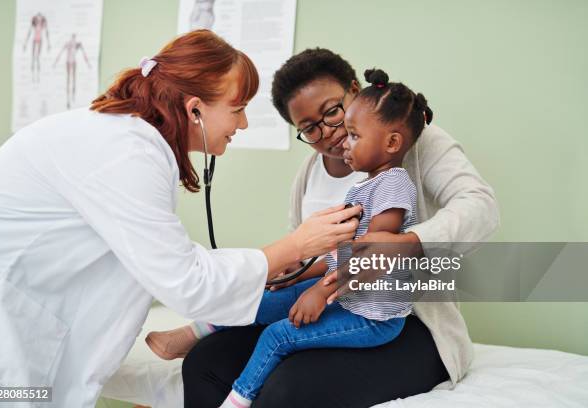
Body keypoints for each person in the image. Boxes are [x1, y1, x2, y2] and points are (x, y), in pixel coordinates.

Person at [0, 32, 361, 407]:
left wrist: (287, 261)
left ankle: (194, 332)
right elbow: (185, 277)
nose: (242, 125)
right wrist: (292, 250)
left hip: (369, 305)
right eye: (238, 109)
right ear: (195, 109)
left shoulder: (130, 142)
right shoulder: (125, 153)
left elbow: (161, 260)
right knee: (212, 366)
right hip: (0, 325)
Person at [182, 48, 500, 407]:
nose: (329, 134)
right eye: (309, 128)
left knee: (289, 387)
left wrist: (410, 243)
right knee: (204, 362)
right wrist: (293, 272)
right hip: (334, 302)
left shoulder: (415, 141)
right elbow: (314, 252)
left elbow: (481, 206)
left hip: (402, 319)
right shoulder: (308, 174)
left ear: (354, 91)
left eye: (332, 112)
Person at [148, 68, 432, 408]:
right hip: (347, 296)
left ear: (391, 142)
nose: (342, 140)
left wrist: (318, 291)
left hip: (373, 318)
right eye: (309, 128)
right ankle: (198, 329)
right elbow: (339, 253)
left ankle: (237, 401)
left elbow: (369, 255)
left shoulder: (394, 183)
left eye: (353, 134)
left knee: (277, 335)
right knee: (264, 298)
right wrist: (295, 272)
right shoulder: (365, 184)